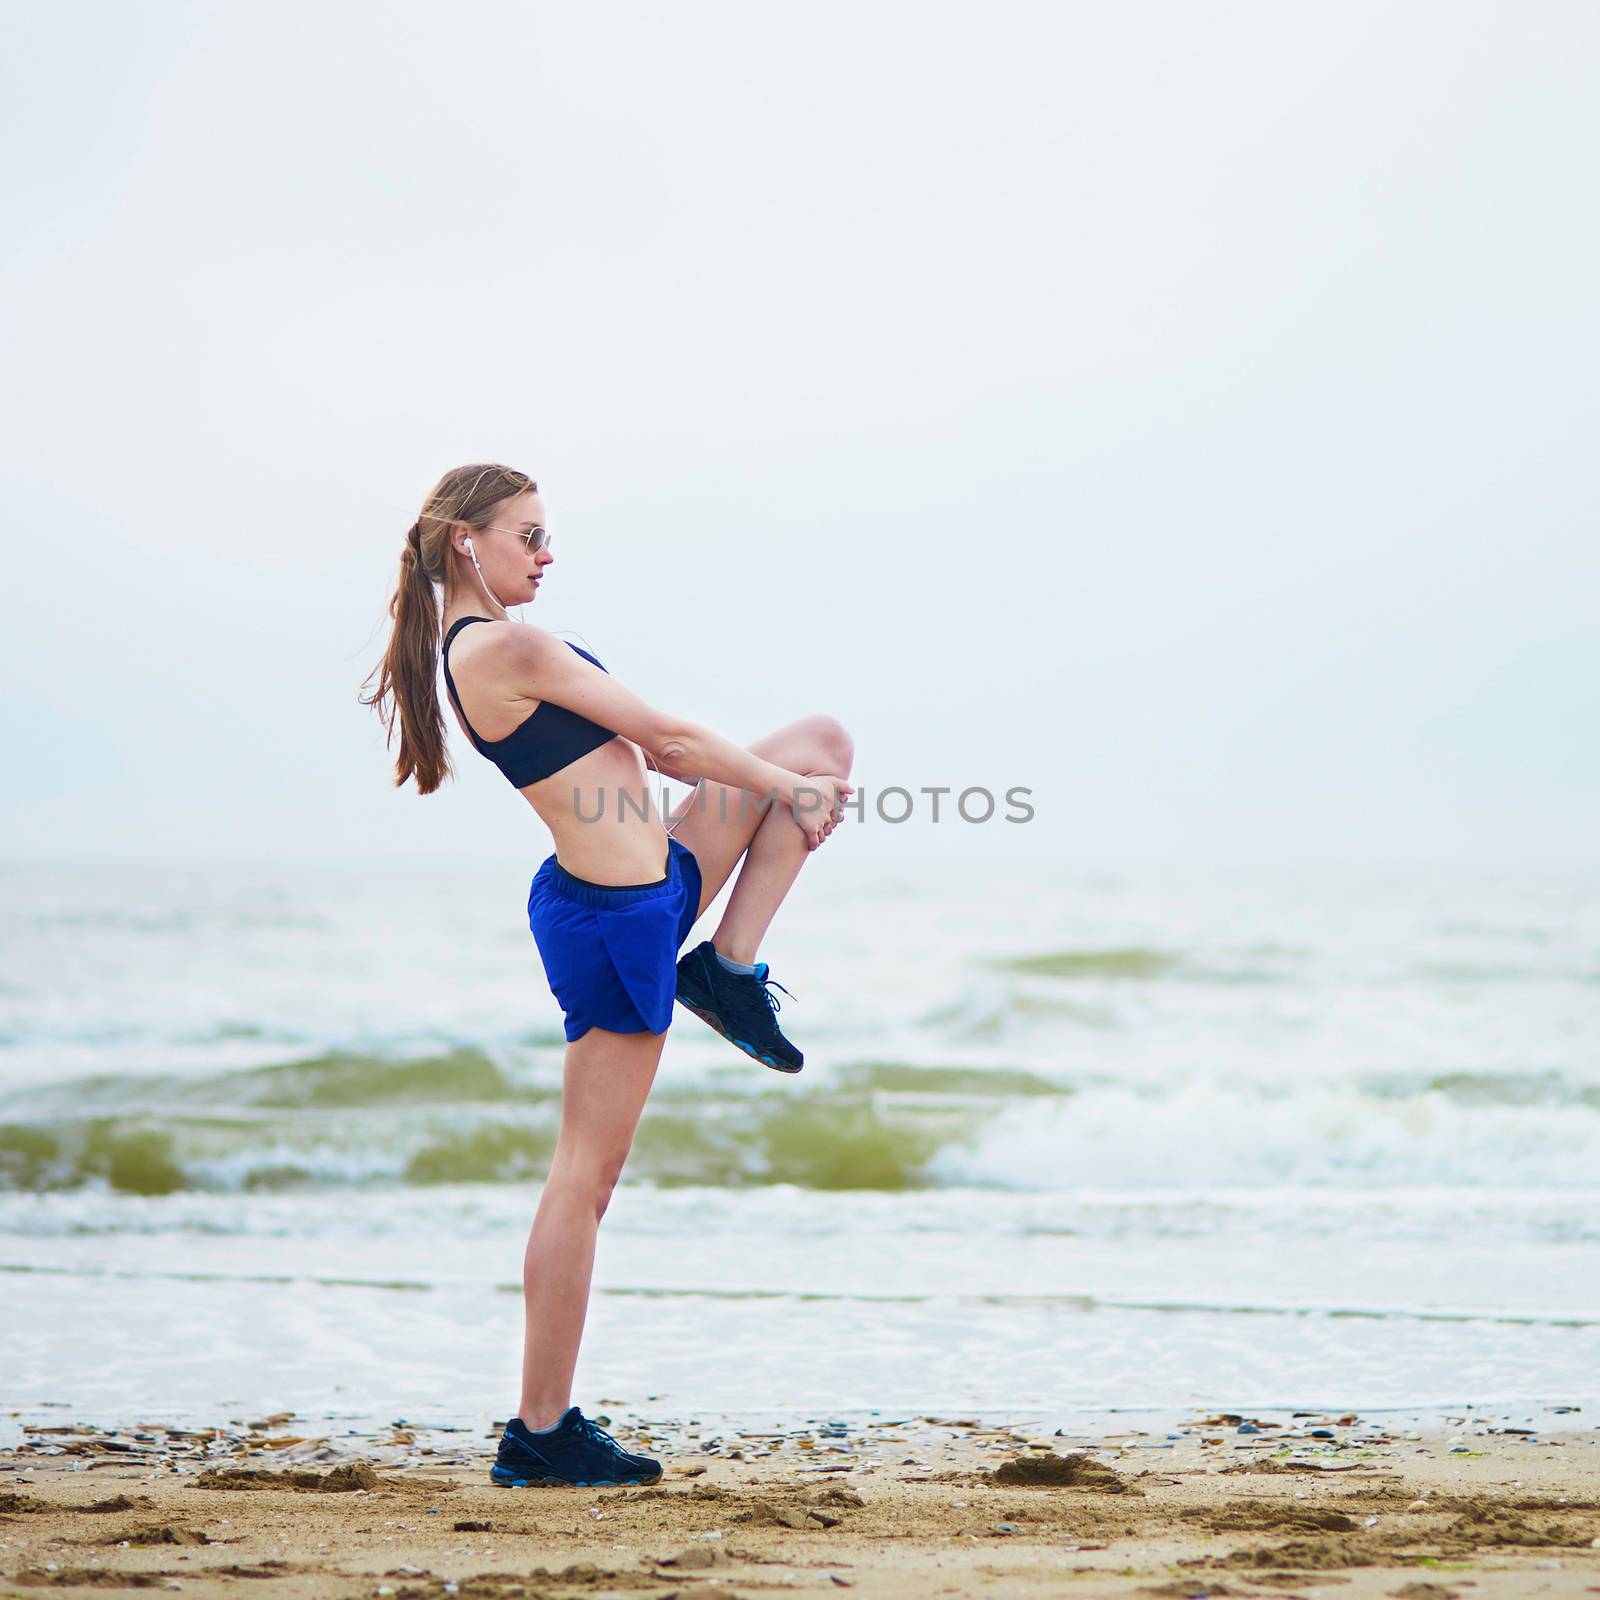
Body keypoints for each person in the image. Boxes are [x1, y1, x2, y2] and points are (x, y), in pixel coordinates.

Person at [361, 462, 854, 1487]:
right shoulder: (503, 646)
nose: (546, 555)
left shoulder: (489, 644)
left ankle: (725, 967)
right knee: (584, 1179)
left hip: (656, 878)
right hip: (618, 919)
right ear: (468, 543)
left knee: (824, 739)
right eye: (529, 536)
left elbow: (670, 756)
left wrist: (795, 778)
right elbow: (669, 742)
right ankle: (541, 1430)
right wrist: (785, 795)